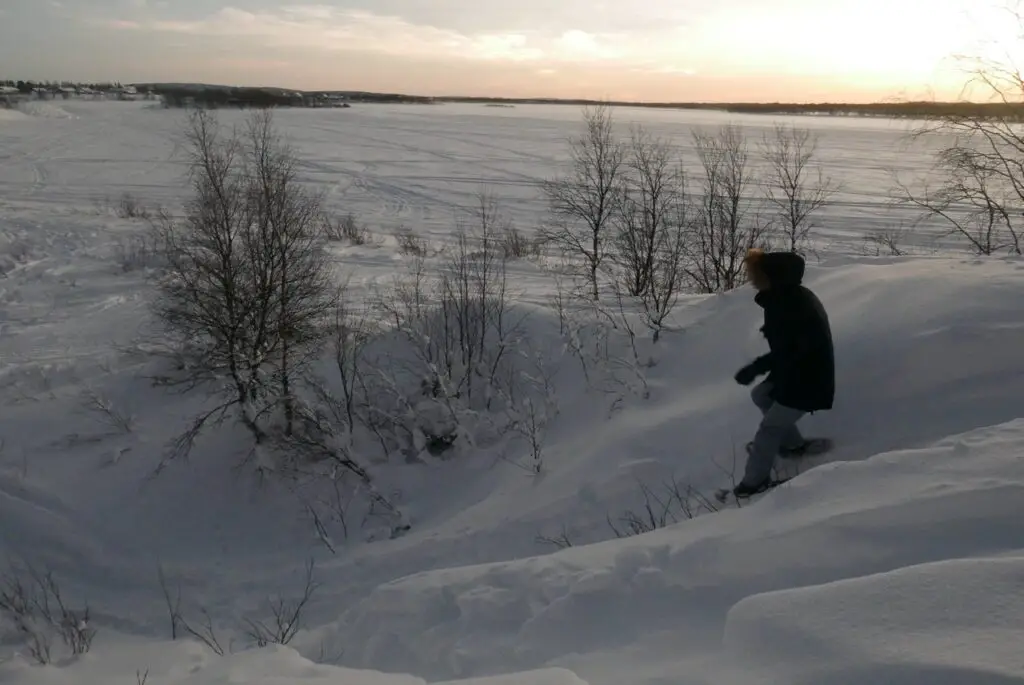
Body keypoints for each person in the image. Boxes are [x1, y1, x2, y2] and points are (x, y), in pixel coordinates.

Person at [731, 249, 835, 498]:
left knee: (769, 430)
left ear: (773, 276)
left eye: (756, 273)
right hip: (795, 373)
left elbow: (793, 351)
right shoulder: (783, 298)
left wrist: (756, 367)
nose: (751, 278)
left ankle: (753, 484)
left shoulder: (791, 305)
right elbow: (787, 350)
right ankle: (793, 445)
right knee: (761, 395)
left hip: (807, 380)